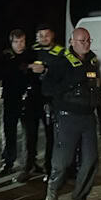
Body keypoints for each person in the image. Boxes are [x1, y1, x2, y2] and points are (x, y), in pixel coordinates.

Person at [42, 27, 101, 200]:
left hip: (88, 118)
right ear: (72, 42)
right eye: (82, 41)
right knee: (63, 162)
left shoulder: (93, 62)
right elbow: (47, 88)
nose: (86, 44)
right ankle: (53, 186)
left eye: (88, 40)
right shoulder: (61, 62)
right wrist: (71, 82)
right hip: (67, 116)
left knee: (90, 161)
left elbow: (99, 91)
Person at [0, 29, 39, 181]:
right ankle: (8, 162)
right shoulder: (5, 57)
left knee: (29, 133)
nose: (19, 45)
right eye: (16, 42)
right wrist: (12, 66)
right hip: (11, 99)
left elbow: (37, 74)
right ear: (11, 43)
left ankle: (30, 162)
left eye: (22, 41)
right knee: (9, 132)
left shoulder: (31, 55)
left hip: (28, 99)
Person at [30, 23, 63, 182]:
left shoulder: (61, 52)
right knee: (30, 135)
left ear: (53, 35)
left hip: (51, 99)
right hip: (33, 99)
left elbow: (64, 72)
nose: (43, 38)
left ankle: (49, 169)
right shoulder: (32, 51)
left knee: (51, 135)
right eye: (40, 35)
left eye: (46, 35)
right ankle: (29, 165)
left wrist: (46, 70)